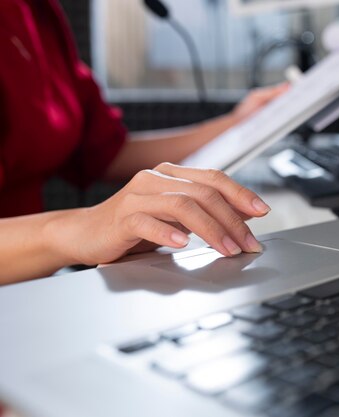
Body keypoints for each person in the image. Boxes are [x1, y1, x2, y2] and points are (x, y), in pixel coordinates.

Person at [0, 0, 289, 285]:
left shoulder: (38, 11)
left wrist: (238, 124)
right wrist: (79, 228)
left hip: (33, 285)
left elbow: (106, 154)